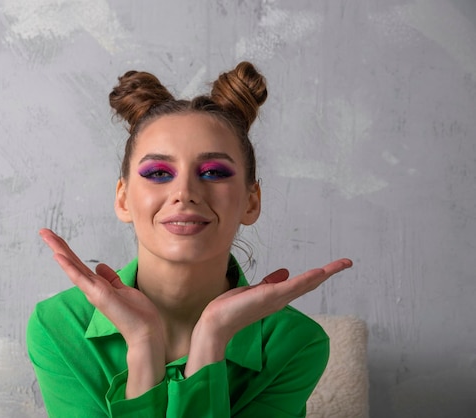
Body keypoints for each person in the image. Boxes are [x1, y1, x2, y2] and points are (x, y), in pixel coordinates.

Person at [26, 61, 352, 417]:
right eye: (159, 173)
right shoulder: (58, 325)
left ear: (251, 201)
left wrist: (212, 337)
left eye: (213, 172)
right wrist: (142, 343)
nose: (185, 192)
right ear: (123, 199)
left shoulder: (295, 343)